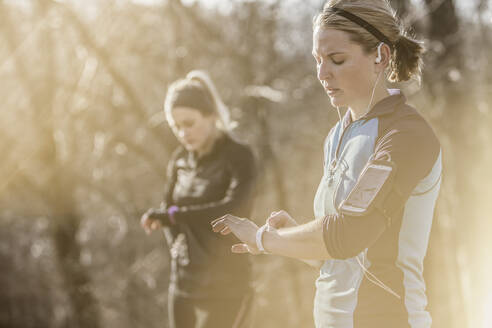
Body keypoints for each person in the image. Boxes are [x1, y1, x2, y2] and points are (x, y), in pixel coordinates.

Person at [212, 1, 442, 327]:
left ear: (381, 56)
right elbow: (341, 259)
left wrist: (265, 238)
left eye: (337, 60)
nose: (322, 74)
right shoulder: (336, 135)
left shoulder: (406, 135)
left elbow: (347, 234)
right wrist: (292, 237)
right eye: (318, 61)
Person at [141, 70, 256, 328]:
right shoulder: (179, 160)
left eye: (189, 123)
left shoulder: (239, 156)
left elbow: (233, 209)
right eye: (176, 127)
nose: (183, 133)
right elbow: (166, 210)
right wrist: (174, 242)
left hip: (228, 285)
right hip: (184, 281)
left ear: (211, 116)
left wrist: (174, 216)